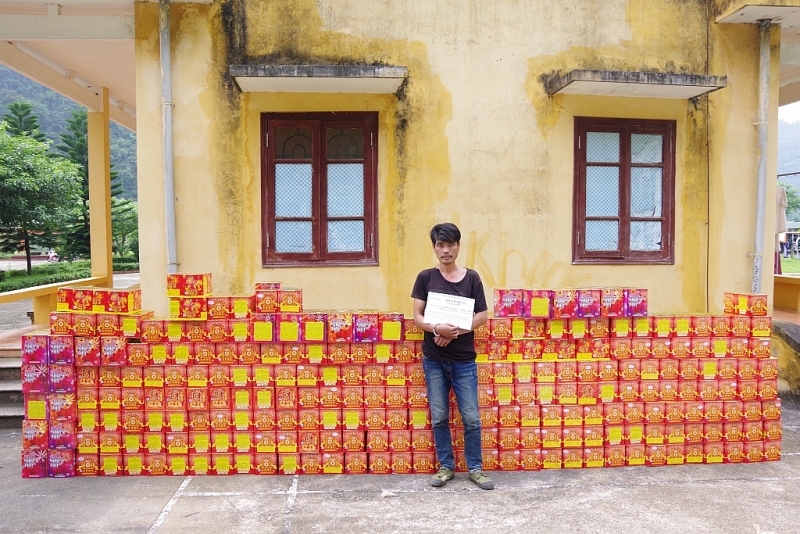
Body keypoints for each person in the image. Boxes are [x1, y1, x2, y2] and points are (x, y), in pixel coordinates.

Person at [411, 222, 493, 490]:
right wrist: (437, 328)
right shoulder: (425, 277)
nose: (445, 250)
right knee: (439, 416)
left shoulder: (472, 278)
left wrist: (454, 331)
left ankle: (476, 468)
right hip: (433, 358)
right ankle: (446, 467)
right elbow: (418, 317)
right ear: (434, 248)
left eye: (450, 244)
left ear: (458, 246)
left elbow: (482, 315)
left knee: (471, 416)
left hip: (464, 360)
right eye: (440, 245)